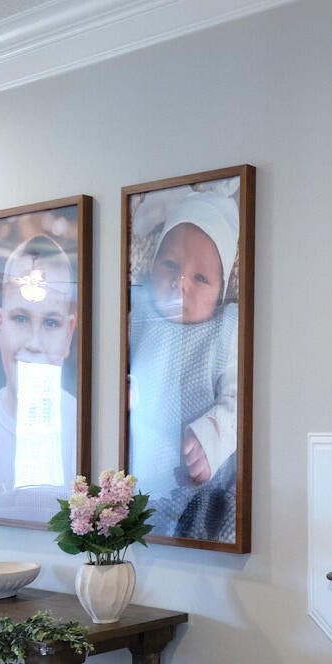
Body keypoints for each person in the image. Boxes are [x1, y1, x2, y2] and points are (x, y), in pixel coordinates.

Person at [127, 182, 241, 542]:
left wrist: (213, 434)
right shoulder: (138, 315)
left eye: (200, 277)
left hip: (197, 484)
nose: (180, 284)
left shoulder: (225, 329)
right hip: (140, 468)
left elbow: (241, 400)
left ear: (221, 289)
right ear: (152, 265)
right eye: (171, 266)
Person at [0, 232, 80, 523]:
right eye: (21, 319)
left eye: (51, 323)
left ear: (68, 334)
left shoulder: (82, 427)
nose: (34, 343)